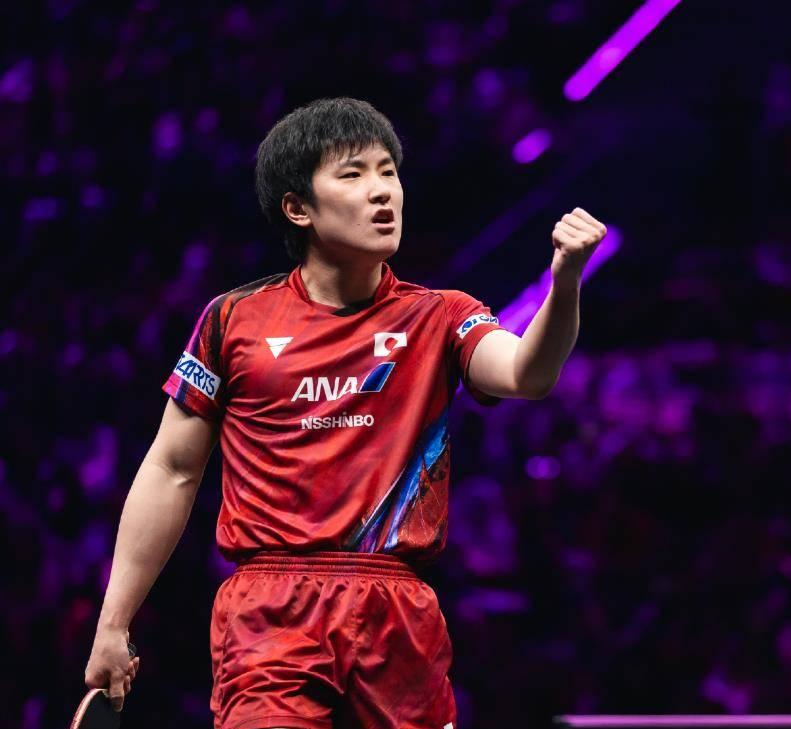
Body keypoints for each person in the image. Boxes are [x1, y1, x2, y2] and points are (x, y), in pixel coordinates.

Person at [82, 97, 607, 729]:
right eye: (353, 174)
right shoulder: (233, 321)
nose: (382, 191)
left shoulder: (439, 315)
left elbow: (527, 373)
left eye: (389, 172)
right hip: (271, 614)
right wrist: (113, 622)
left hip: (398, 615)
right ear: (298, 208)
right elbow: (171, 469)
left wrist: (564, 283)